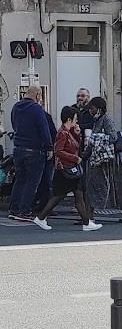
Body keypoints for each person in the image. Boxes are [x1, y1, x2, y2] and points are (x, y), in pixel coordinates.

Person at [33, 107, 102, 232]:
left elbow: (74, 144)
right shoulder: (63, 133)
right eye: (75, 119)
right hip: (66, 167)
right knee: (60, 195)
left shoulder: (67, 131)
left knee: (74, 194)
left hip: (68, 167)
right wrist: (75, 158)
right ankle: (41, 217)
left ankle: (86, 222)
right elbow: (58, 151)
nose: (77, 121)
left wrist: (77, 132)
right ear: (69, 119)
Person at [83, 97, 122, 223]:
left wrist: (95, 138)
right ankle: (90, 214)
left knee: (119, 184)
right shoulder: (97, 120)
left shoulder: (105, 119)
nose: (90, 111)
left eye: (92, 108)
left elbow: (113, 136)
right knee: (114, 184)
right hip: (103, 159)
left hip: (109, 159)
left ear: (99, 108)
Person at [8, 85, 53, 222]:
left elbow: (14, 125)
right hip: (34, 150)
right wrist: (49, 147)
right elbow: (43, 129)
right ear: (38, 95)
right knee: (32, 182)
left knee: (20, 180)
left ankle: (14, 209)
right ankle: (25, 210)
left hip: (18, 148)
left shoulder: (16, 107)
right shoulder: (36, 109)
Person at [33, 107, 58, 215]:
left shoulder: (42, 117)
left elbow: (52, 133)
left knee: (39, 180)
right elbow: (52, 133)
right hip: (45, 151)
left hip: (40, 151)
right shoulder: (45, 116)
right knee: (45, 180)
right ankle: (44, 205)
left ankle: (41, 204)